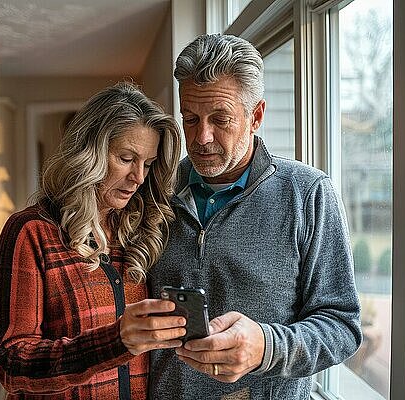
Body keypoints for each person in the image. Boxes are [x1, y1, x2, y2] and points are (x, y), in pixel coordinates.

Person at [147, 34, 362, 399]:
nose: (201, 137)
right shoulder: (156, 190)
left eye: (220, 118)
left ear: (256, 116)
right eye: (190, 118)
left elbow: (342, 327)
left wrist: (266, 346)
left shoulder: (308, 193)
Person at [0, 82, 187, 399]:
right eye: (125, 158)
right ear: (89, 152)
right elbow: (11, 364)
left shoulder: (140, 232)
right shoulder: (30, 232)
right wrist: (116, 341)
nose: (138, 177)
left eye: (147, 164)